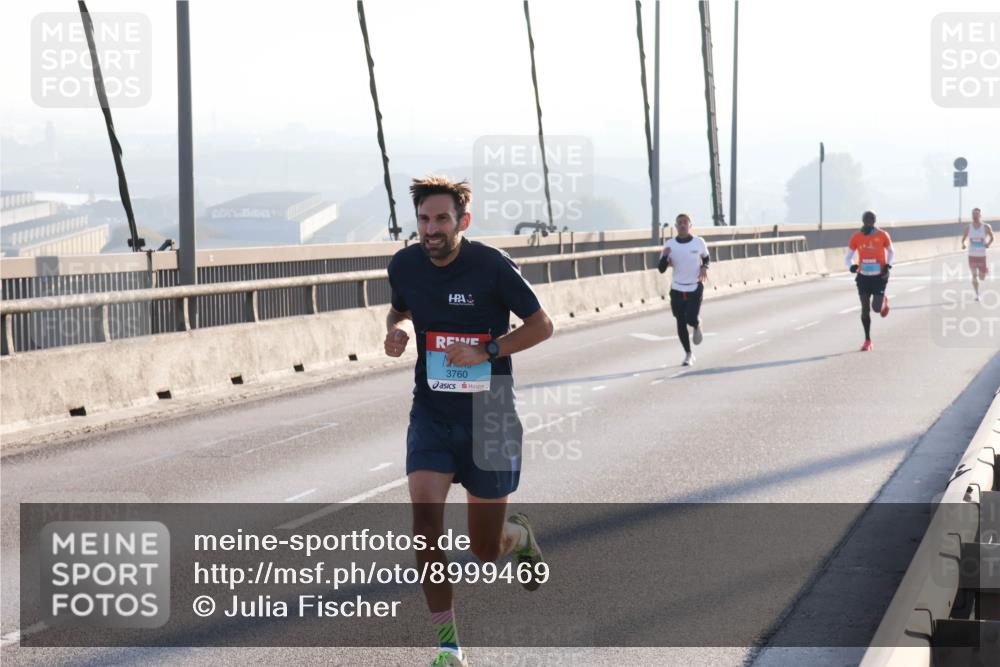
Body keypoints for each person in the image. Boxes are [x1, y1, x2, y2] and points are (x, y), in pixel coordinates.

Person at [384, 176, 554, 667]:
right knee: (424, 523)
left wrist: (488, 349)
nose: (430, 229)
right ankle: (448, 645)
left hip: (492, 411)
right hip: (432, 412)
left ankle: (517, 536)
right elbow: (397, 314)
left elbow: (543, 325)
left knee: (484, 550)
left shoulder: (491, 266)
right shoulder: (405, 264)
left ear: (463, 221)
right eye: (423, 220)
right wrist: (395, 332)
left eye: (440, 219)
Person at [658, 213, 710, 366]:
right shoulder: (670, 245)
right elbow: (661, 269)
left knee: (690, 318)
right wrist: (664, 257)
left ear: (690, 225)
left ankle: (696, 324)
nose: (682, 225)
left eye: (685, 222)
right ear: (675, 226)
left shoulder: (698, 242)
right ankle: (688, 354)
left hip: (694, 286)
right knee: (680, 322)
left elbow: (706, 257)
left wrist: (704, 267)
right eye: (679, 223)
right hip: (677, 288)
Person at [846, 210, 894, 351]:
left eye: (871, 218)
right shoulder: (857, 236)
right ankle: (867, 340)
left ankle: (883, 301)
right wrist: (852, 266)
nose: (869, 220)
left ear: (875, 220)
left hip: (879, 276)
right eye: (867, 218)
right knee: (865, 309)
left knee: (876, 309)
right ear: (863, 220)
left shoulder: (882, 235)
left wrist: (887, 265)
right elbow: (848, 256)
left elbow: (891, 251)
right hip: (863, 277)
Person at [961, 207, 994, 301]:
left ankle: (984, 271)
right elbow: (963, 239)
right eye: (973, 214)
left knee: (982, 277)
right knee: (974, 275)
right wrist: (963, 244)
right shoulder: (968, 228)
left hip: (982, 256)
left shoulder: (986, 227)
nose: (974, 216)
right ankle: (977, 294)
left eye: (976, 214)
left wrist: (988, 243)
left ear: (980, 215)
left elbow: (992, 237)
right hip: (972, 255)